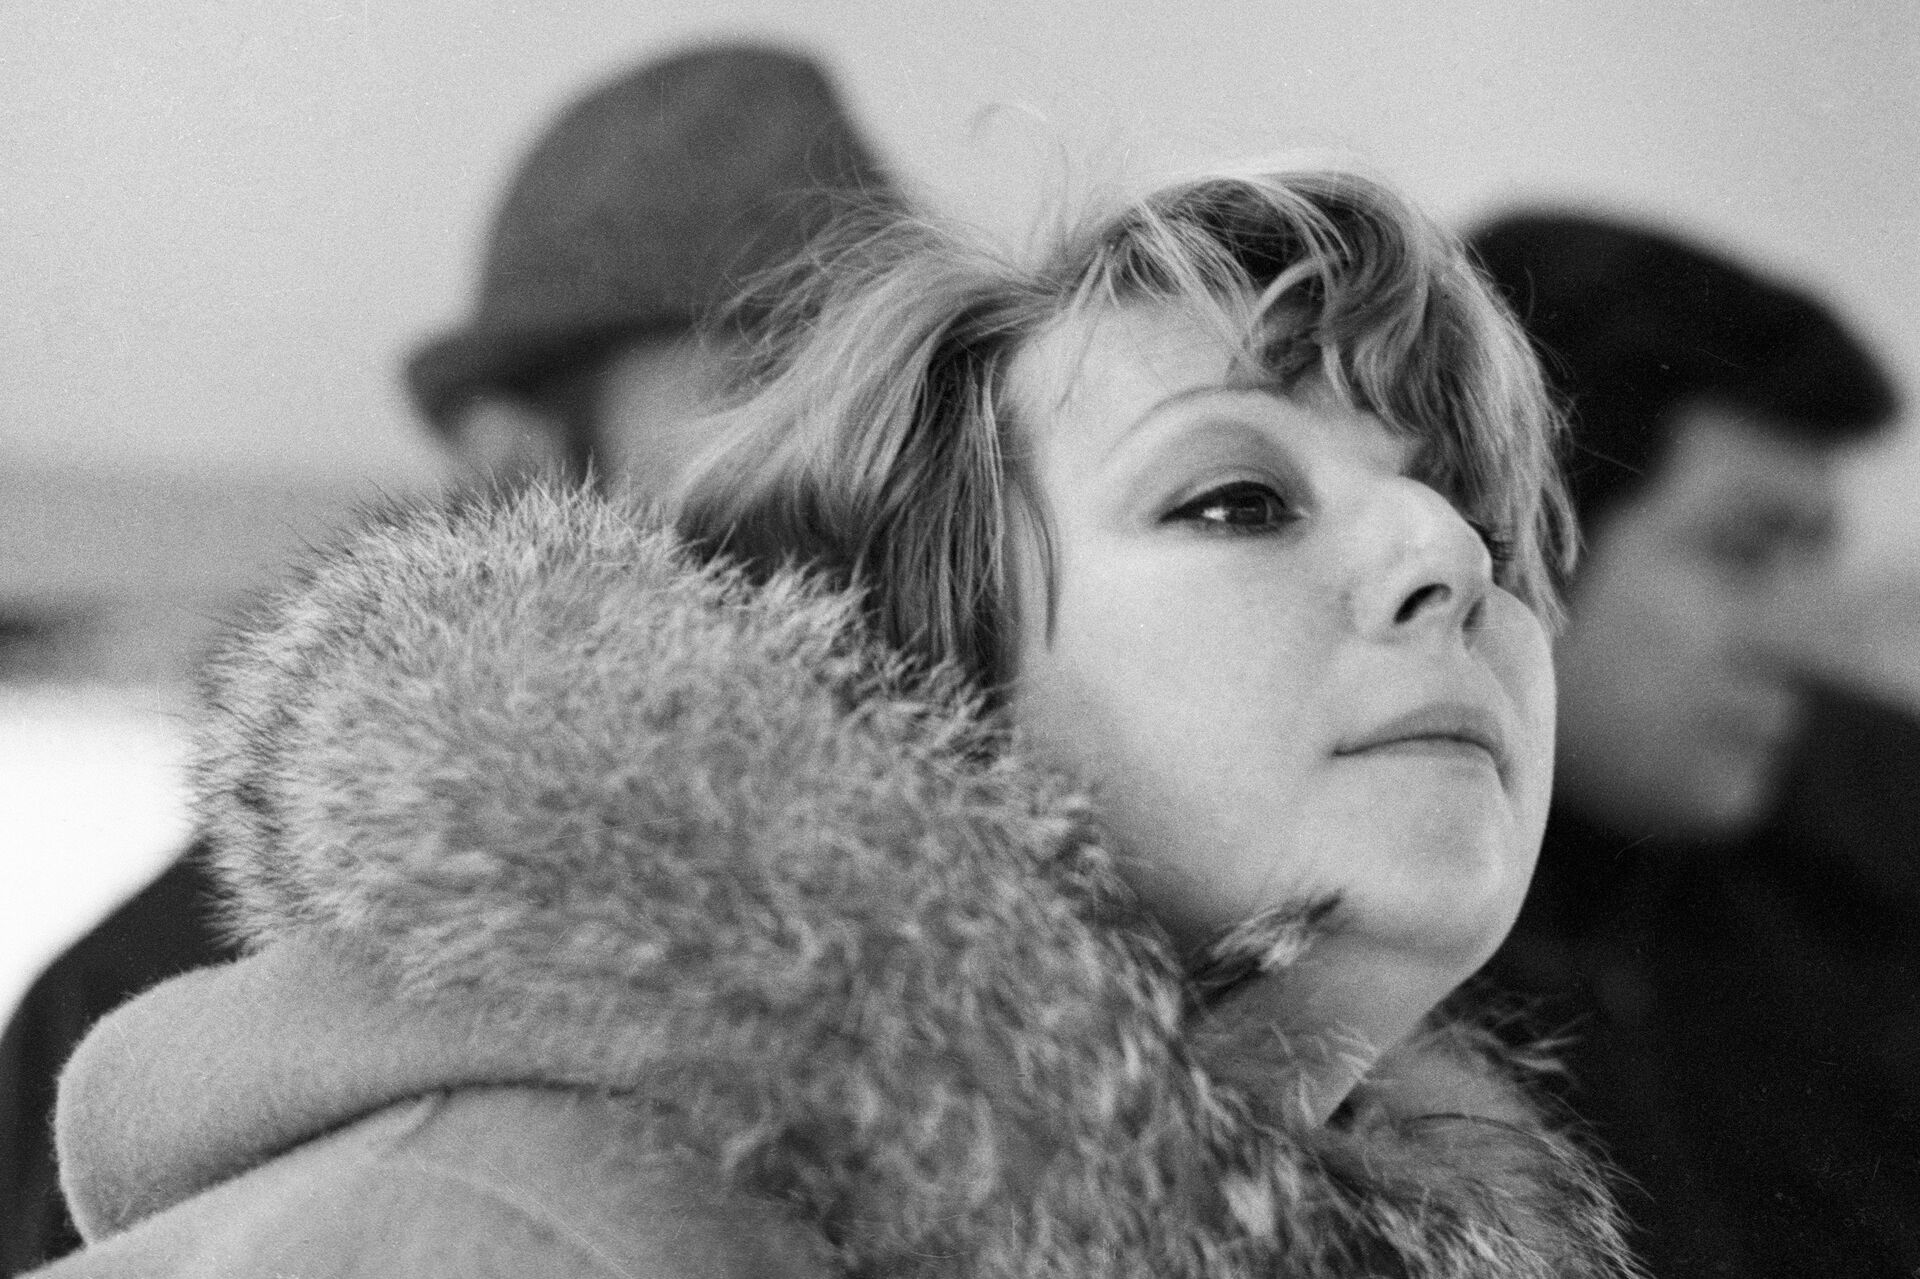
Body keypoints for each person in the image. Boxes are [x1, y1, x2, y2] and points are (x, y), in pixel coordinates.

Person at [27, 167, 1644, 1277]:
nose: (1450, 561)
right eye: (1235, 498)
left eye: (1486, 522)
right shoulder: (509, 1228)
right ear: (920, 682)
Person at [0, 42, 900, 1274]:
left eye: (886, 386)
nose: (846, 448)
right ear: (512, 450)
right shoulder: (137, 997)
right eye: (759, 374)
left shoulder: (972, 892)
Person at [1469, 211, 1917, 1276]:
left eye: (1814, 553)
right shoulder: (1354, 972)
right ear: (1523, 536)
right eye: (1740, 550)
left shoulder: (1878, 844)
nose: (1805, 641)